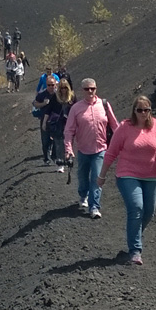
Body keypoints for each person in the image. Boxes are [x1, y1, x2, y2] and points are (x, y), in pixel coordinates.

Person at [98, 95, 156, 265]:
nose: (143, 113)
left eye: (146, 110)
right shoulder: (125, 127)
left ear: (150, 111)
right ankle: (135, 251)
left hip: (152, 177)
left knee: (148, 213)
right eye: (139, 110)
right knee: (136, 208)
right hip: (128, 175)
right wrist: (102, 175)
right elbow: (111, 152)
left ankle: (134, 235)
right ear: (134, 111)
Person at [64, 78, 118, 219]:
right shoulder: (76, 108)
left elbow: (114, 125)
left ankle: (94, 207)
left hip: (101, 149)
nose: (90, 91)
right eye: (87, 89)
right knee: (83, 177)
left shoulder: (104, 105)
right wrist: (68, 149)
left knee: (97, 178)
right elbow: (69, 130)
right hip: (83, 150)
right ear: (82, 91)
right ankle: (83, 194)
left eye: (92, 88)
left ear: (96, 89)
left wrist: (123, 143)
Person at [47, 79, 75, 173]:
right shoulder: (55, 97)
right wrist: (44, 123)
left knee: (68, 143)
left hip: (69, 123)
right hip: (58, 124)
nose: (63, 90)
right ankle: (60, 164)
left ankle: (68, 160)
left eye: (65, 88)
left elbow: (77, 110)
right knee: (58, 144)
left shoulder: (72, 97)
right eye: (61, 88)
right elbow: (48, 110)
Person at [33, 75, 60, 165]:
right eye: (49, 85)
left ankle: (54, 156)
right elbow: (35, 104)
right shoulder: (42, 94)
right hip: (44, 120)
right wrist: (43, 104)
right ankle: (46, 158)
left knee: (56, 139)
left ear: (55, 85)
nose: (51, 87)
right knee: (45, 140)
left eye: (52, 85)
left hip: (56, 121)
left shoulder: (58, 95)